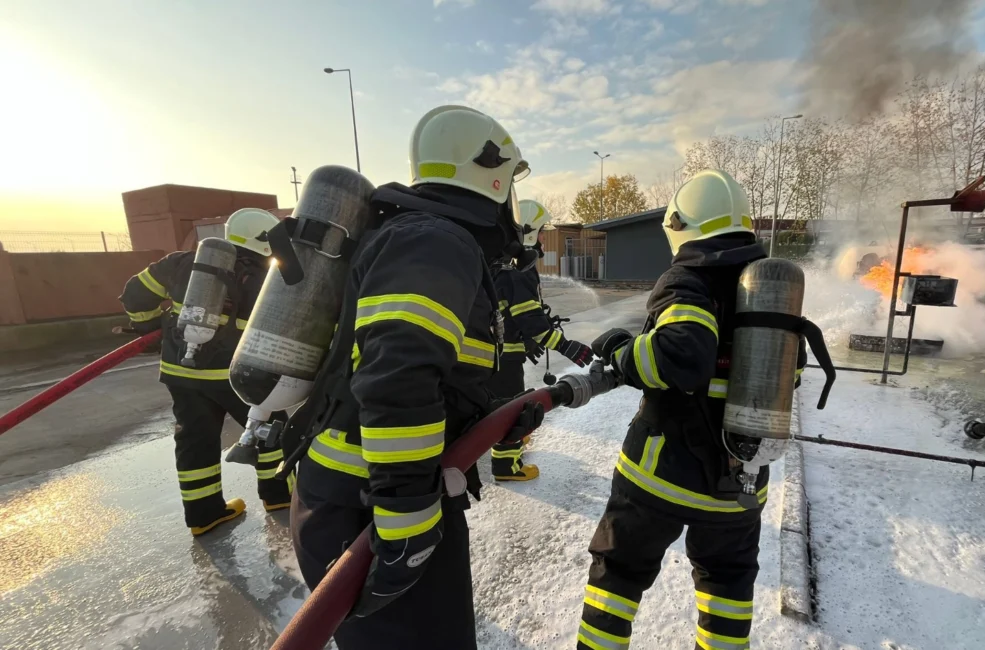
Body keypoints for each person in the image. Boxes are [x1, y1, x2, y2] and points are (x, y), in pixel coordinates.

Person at [290, 105, 542, 649]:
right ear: (490, 174)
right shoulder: (436, 241)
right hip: (374, 507)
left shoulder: (425, 237)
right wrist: (406, 519)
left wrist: (491, 417)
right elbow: (397, 377)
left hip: (375, 494)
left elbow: (431, 372)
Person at [576, 169, 806, 650]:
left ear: (680, 226)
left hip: (660, 477)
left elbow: (681, 355)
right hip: (741, 479)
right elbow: (792, 374)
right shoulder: (769, 290)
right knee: (727, 585)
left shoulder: (689, 279)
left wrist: (622, 351)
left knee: (617, 575)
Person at [119, 208, 290, 536]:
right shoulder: (268, 278)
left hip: (183, 372)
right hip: (238, 377)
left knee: (195, 441)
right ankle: (279, 497)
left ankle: (204, 515)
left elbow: (135, 294)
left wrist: (148, 326)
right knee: (272, 431)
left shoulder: (182, 263)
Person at [489, 199, 594, 481]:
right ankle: (506, 466)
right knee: (510, 408)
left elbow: (513, 316)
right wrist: (566, 346)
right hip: (505, 358)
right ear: (529, 233)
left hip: (499, 354)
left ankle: (510, 441)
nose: (544, 239)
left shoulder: (504, 268)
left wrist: (528, 340)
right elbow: (531, 322)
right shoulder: (518, 273)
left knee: (503, 402)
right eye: (542, 232)